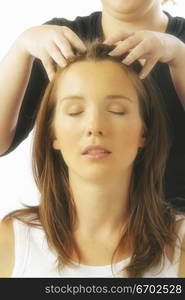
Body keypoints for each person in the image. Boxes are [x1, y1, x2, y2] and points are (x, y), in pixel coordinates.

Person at [0, 42, 185, 278]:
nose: (94, 127)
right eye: (75, 111)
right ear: (52, 134)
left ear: (144, 132)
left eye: (117, 110)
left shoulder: (180, 245)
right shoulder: (11, 243)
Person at [0, 0, 185, 211]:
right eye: (75, 111)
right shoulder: (58, 43)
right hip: (79, 226)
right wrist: (22, 46)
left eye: (117, 111)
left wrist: (179, 55)